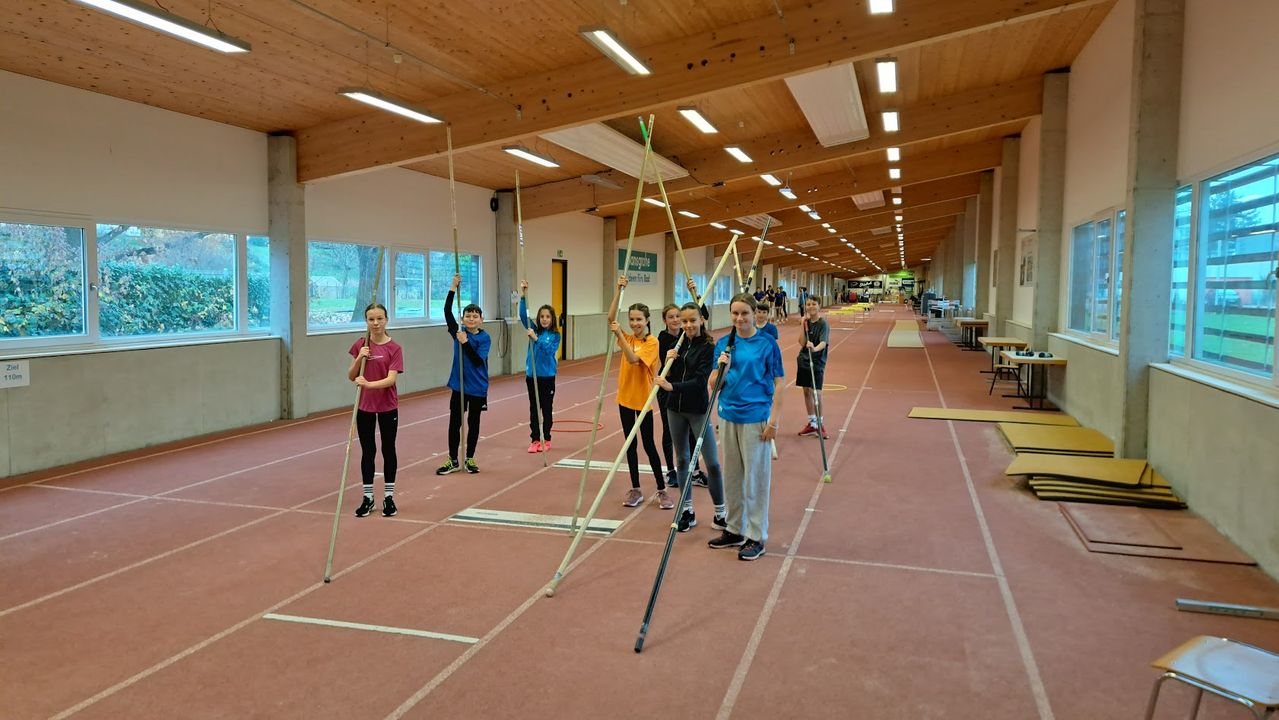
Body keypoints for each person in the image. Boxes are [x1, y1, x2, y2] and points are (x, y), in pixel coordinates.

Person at [708, 293, 784, 561]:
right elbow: (713, 382)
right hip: (728, 415)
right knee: (732, 476)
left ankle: (756, 535)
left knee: (755, 479)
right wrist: (723, 367)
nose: (740, 319)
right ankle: (734, 529)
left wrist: (774, 421)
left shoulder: (767, 344)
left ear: (755, 314)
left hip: (756, 418)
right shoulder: (723, 344)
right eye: (735, 314)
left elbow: (779, 383)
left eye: (744, 313)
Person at [654, 302, 727, 533]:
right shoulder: (678, 344)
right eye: (684, 321)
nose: (688, 325)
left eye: (692, 320)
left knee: (712, 463)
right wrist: (668, 362)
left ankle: (720, 513)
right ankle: (687, 511)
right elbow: (663, 376)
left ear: (701, 320)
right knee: (682, 460)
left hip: (697, 410)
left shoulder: (708, 346)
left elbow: (698, 382)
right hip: (674, 409)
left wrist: (671, 386)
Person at [608, 275, 671, 509]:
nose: (634, 323)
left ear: (647, 320)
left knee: (648, 445)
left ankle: (661, 489)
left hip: (643, 402)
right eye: (632, 319)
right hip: (624, 399)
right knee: (630, 445)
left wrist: (618, 336)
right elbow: (610, 318)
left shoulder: (652, 343)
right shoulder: (628, 337)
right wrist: (618, 289)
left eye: (639, 320)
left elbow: (633, 359)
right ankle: (635, 489)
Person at [347, 303, 404, 517]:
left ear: (386, 319)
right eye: (371, 319)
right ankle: (368, 497)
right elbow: (351, 376)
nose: (376, 323)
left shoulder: (394, 348)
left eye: (380, 318)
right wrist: (360, 357)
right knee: (368, 451)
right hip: (365, 408)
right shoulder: (361, 344)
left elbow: (391, 379)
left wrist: (369, 384)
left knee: (388, 450)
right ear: (366, 321)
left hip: (388, 406)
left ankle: (389, 497)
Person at [436, 274, 490, 475]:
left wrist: (465, 342)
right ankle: (452, 459)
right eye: (468, 315)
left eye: (475, 316)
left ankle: (470, 458)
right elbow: (446, 311)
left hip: (477, 387)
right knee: (454, 423)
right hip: (459, 386)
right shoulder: (457, 331)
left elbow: (477, 361)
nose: (471, 318)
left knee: (473, 422)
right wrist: (452, 287)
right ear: (463, 318)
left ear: (481, 319)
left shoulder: (485, 339)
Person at [519, 280, 560, 453]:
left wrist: (535, 339)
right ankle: (535, 439)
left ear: (552, 319)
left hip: (547, 377)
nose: (544, 319)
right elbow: (522, 316)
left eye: (547, 317)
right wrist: (523, 295)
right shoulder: (533, 329)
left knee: (547, 409)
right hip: (532, 376)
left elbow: (549, 351)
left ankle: (547, 438)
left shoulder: (555, 335)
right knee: (534, 410)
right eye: (542, 316)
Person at [796, 295, 830, 439]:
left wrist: (815, 348)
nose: (811, 307)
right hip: (804, 360)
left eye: (814, 304)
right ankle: (812, 423)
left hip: (817, 362)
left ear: (819, 306)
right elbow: (801, 342)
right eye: (808, 304)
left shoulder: (823, 324)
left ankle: (820, 424)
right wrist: (802, 326)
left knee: (817, 394)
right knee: (806, 391)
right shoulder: (806, 322)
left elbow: (823, 342)